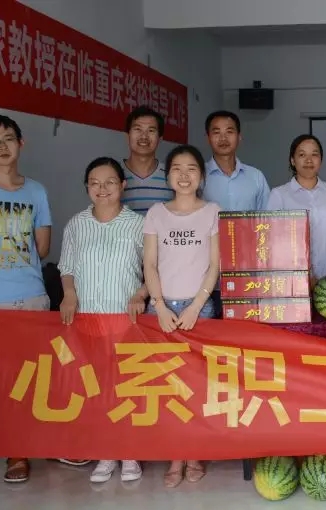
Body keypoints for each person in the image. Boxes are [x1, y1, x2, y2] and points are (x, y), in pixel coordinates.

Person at [0, 115, 85, 483]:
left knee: (41, 376)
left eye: (9, 138)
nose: (3, 145)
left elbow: (42, 249)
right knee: (7, 382)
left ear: (22, 144)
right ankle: (16, 453)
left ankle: (49, 443)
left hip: (33, 298)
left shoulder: (35, 191)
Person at [57, 157, 147, 482]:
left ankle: (130, 453)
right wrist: (69, 294)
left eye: (110, 182)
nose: (102, 189)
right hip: (87, 320)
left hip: (125, 319)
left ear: (123, 185)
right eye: (95, 183)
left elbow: (155, 268)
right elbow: (67, 267)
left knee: (125, 387)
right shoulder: (76, 224)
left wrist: (141, 294)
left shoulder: (138, 224)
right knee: (96, 388)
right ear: (87, 188)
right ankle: (106, 453)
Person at [142, 144, 220, 487]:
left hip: (198, 308)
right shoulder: (156, 213)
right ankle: (176, 455)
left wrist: (196, 306)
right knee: (168, 386)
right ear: (168, 175)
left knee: (197, 385)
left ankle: (194, 453)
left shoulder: (212, 212)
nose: (184, 175)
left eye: (191, 169)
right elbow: (149, 264)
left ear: (201, 176)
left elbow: (215, 265)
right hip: (161, 309)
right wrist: (159, 305)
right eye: (177, 168)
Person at [266, 134, 326, 284]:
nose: (308, 160)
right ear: (292, 160)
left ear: (321, 160)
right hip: (293, 282)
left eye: (314, 154)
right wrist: (305, 277)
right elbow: (272, 242)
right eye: (302, 155)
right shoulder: (279, 195)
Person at [202, 110, 270, 211]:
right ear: (208, 138)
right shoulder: (198, 176)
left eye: (229, 132)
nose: (223, 138)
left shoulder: (256, 177)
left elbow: (267, 216)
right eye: (216, 132)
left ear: (239, 137)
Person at [121, 106, 173, 214]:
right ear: (127, 135)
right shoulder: (114, 175)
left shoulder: (172, 175)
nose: (144, 136)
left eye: (151, 130)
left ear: (160, 139)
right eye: (138, 129)